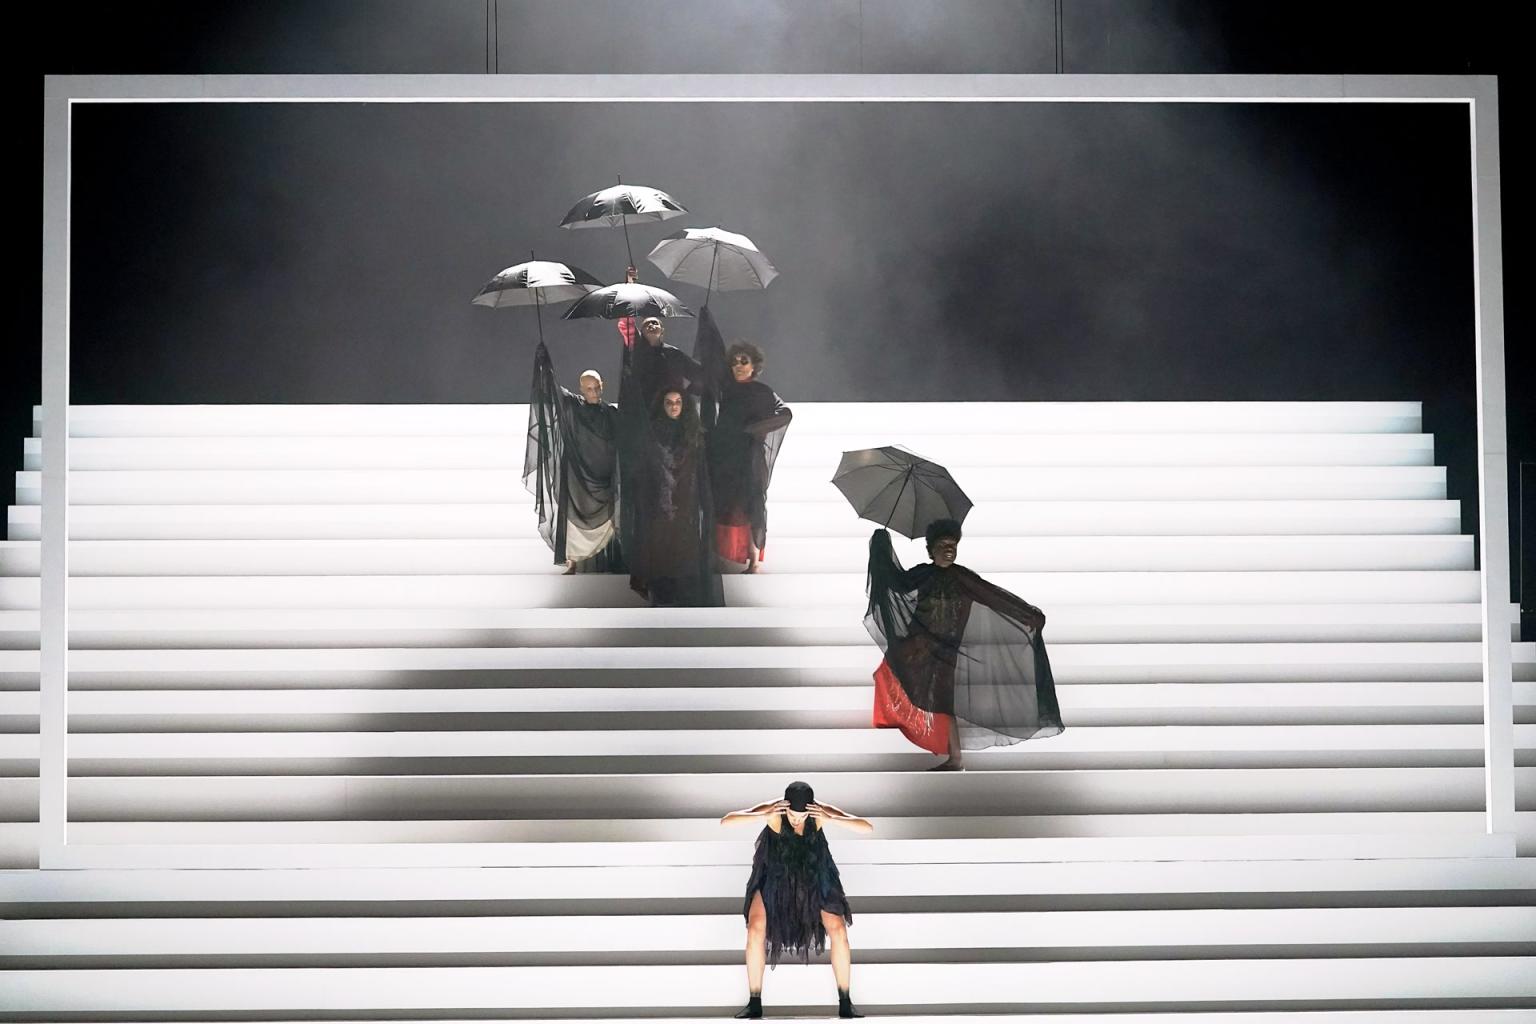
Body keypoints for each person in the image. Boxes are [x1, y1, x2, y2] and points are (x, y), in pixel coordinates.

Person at [866, 518, 1064, 770]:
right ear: (930, 550)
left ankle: (956, 758)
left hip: (946, 650)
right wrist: (881, 547)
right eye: (942, 545)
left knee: (944, 701)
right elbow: (896, 582)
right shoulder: (922, 573)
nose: (949, 550)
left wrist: (1028, 615)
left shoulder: (963, 578)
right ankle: (895, 722)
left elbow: (995, 596)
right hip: (919, 644)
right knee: (888, 672)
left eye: (953, 545)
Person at [721, 781, 870, 1019]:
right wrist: (763, 815)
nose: (796, 820)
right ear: (786, 806)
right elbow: (727, 821)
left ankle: (845, 1002)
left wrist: (831, 819)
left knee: (838, 929)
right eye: (792, 815)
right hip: (776, 877)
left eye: (802, 816)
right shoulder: (775, 811)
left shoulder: (818, 812)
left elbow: (867, 828)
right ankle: (754, 1002)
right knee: (755, 928)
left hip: (814, 876)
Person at [522, 342, 622, 573]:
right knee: (571, 520)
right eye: (589, 388)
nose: (594, 392)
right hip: (579, 477)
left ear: (602, 386)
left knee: (612, 516)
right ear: (582, 389)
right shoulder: (573, 407)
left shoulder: (611, 414)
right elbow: (554, 391)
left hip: (604, 477)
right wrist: (544, 365)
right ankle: (572, 561)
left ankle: (610, 562)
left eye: (596, 387)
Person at [623, 385, 723, 606]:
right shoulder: (652, 433)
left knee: (684, 547)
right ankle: (662, 596)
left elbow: (701, 470)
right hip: (660, 501)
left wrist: (703, 501)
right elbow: (645, 468)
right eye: (669, 402)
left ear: (684, 405)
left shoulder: (693, 433)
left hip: (686, 499)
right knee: (661, 547)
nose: (674, 406)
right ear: (662, 405)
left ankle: (683, 596)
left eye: (678, 402)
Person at [705, 338, 792, 573]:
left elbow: (785, 413)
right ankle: (725, 556)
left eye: (744, 361)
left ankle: (754, 561)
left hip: (749, 459)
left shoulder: (762, 392)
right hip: (724, 456)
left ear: (754, 366)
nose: (739, 366)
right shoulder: (725, 389)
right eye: (734, 362)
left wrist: (754, 429)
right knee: (725, 504)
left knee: (751, 505)